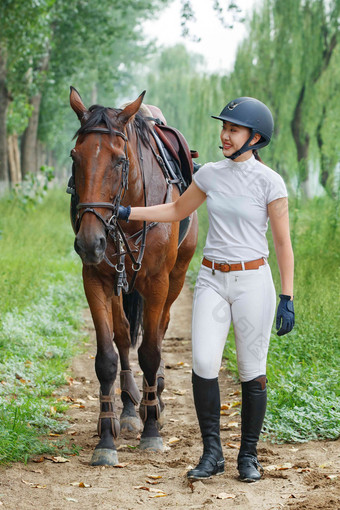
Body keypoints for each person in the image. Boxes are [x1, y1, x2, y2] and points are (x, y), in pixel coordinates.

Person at [118, 97, 295, 483]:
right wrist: (131, 213)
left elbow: (283, 243)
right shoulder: (211, 174)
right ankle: (212, 453)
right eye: (224, 128)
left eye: (233, 129)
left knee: (252, 370)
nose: (224, 135)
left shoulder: (270, 182)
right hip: (213, 281)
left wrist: (287, 296)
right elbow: (176, 210)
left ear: (256, 137)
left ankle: (248, 455)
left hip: (253, 282)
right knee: (203, 365)